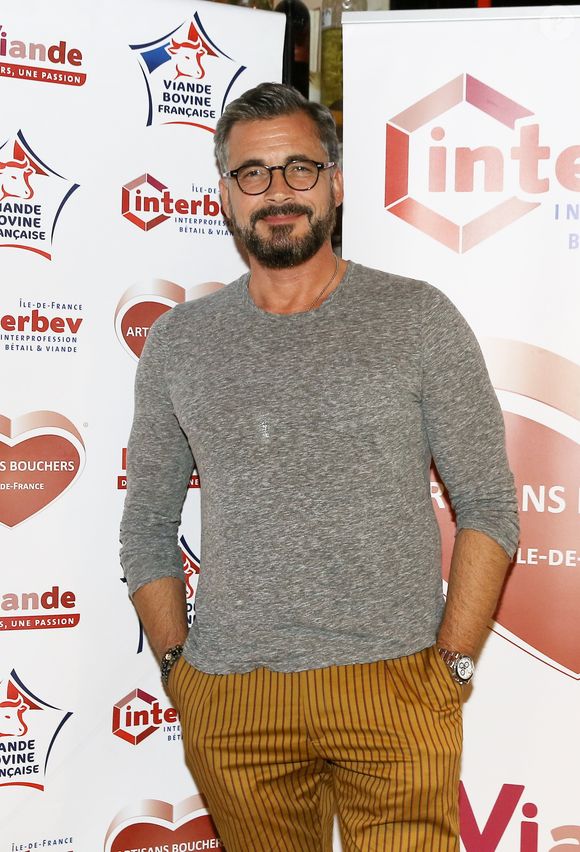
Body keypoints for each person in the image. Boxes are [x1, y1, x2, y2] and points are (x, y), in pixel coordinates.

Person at [120, 82, 519, 852]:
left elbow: (489, 507)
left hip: (398, 685)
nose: (278, 193)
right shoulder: (180, 342)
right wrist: (182, 673)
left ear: (335, 182)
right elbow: (146, 526)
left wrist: (452, 670)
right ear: (226, 198)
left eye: (300, 169)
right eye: (254, 174)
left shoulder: (417, 318)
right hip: (234, 699)